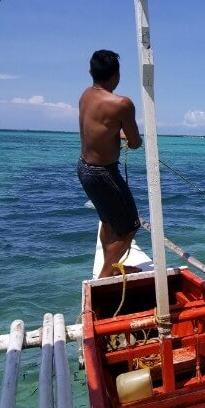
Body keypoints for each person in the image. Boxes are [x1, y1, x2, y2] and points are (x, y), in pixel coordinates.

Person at [77, 50, 143, 278]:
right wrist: (129, 139)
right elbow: (135, 142)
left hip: (84, 168)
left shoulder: (86, 95)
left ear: (91, 72)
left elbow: (99, 131)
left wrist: (116, 136)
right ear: (116, 75)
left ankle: (112, 267)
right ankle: (105, 276)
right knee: (130, 226)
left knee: (107, 221)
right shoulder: (122, 104)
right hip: (103, 173)